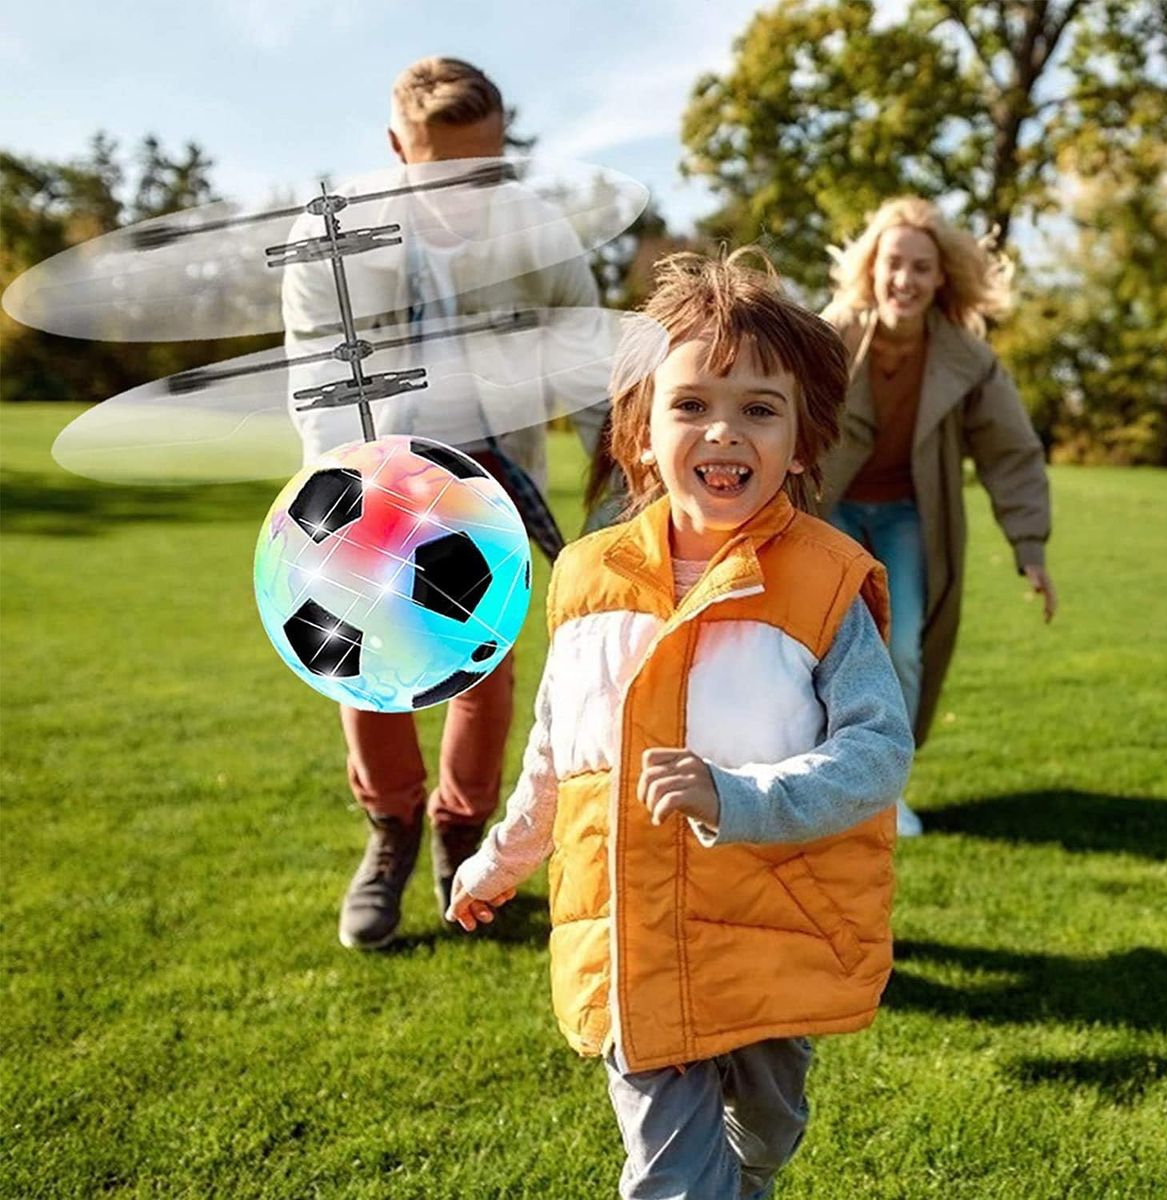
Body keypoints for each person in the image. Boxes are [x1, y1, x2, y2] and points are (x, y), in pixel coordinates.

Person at [447, 249, 914, 1199]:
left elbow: (877, 750)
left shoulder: (824, 581)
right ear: (643, 428)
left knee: (764, 1137)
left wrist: (740, 798)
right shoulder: (585, 578)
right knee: (671, 1179)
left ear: (802, 437)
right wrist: (499, 861)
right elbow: (559, 752)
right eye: (692, 403)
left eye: (758, 408)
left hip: (773, 930)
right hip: (635, 943)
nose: (723, 431)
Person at [281, 57, 606, 949]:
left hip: (494, 479)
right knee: (363, 662)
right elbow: (317, 375)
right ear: (396, 149)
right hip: (372, 471)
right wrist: (346, 499)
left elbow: (592, 375)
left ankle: (460, 836)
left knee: (480, 668)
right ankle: (389, 830)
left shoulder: (541, 235)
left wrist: (618, 504)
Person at [820, 196, 1056, 837]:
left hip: (906, 517)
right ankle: (817, 775)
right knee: (826, 639)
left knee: (902, 649)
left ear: (941, 277)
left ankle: (884, 792)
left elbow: (1012, 453)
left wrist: (1029, 546)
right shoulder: (829, 335)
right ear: (871, 267)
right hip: (828, 509)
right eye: (894, 263)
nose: (905, 279)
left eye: (921, 267)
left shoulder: (968, 360)